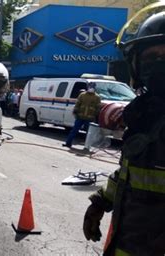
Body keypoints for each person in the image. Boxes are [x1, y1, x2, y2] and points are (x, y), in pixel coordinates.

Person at [82, 4, 165, 255]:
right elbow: (133, 172)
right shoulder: (147, 113)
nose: (159, 65)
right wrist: (101, 200)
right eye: (151, 58)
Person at [62, 82, 101, 148]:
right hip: (80, 116)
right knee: (74, 130)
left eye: (92, 87)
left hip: (89, 119)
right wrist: (75, 112)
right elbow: (77, 104)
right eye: (90, 86)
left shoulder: (97, 97)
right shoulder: (82, 95)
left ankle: (88, 146)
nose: (91, 88)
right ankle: (68, 143)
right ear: (87, 87)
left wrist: (95, 116)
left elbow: (98, 108)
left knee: (89, 133)